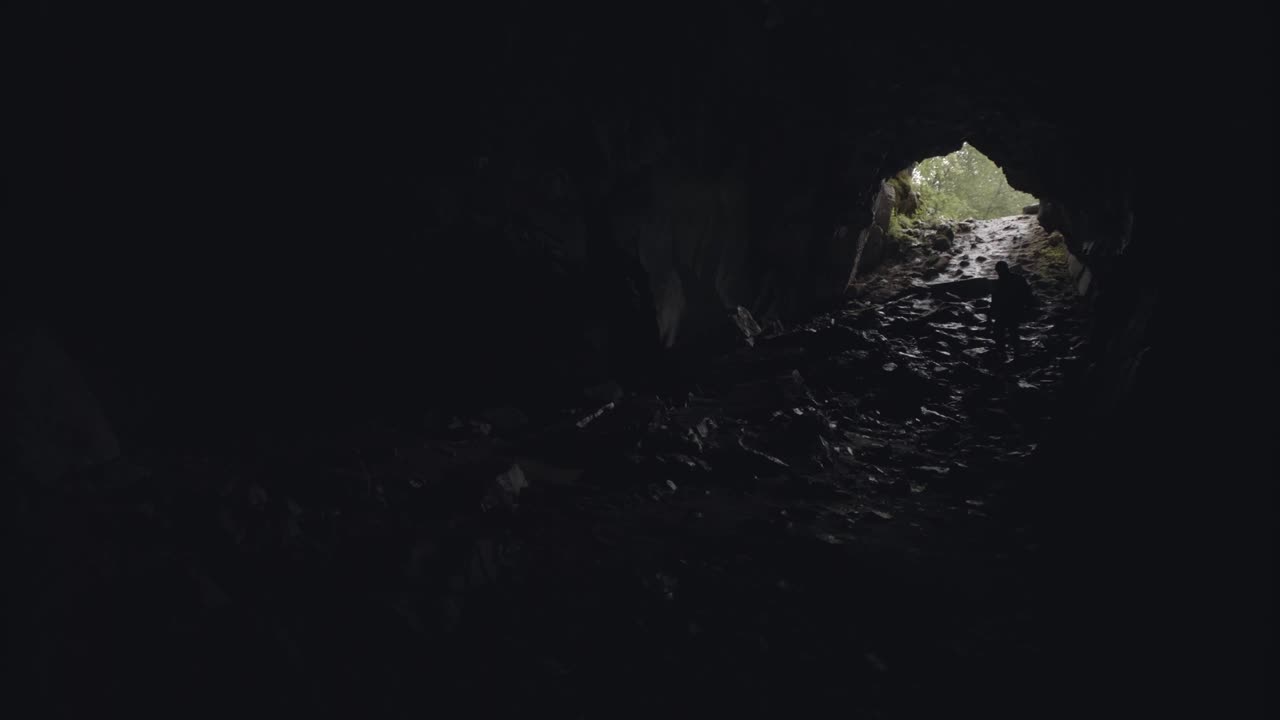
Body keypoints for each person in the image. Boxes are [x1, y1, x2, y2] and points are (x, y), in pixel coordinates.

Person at [990, 261, 1034, 353]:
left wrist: (991, 315)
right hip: (1016, 309)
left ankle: (1002, 353)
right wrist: (1028, 308)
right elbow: (1028, 294)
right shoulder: (1019, 279)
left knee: (1000, 331)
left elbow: (995, 300)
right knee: (1013, 331)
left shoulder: (999, 283)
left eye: (998, 271)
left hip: (1005, 311)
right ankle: (1016, 352)